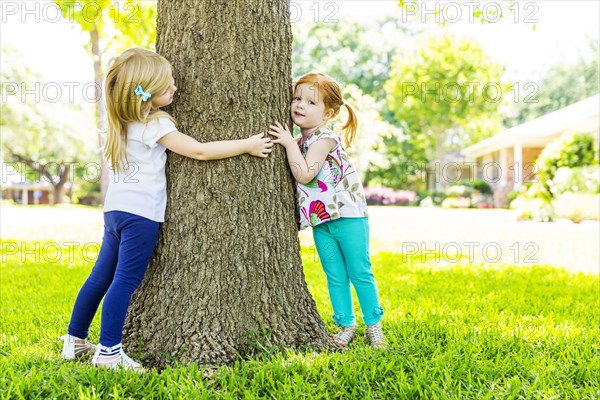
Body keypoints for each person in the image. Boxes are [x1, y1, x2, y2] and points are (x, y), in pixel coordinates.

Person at [61, 48, 273, 371]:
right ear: (145, 94)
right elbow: (199, 152)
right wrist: (246, 144)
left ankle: (74, 341)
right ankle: (108, 352)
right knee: (125, 282)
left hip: (115, 212)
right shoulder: (154, 125)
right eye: (167, 86)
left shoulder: (121, 124)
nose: (175, 88)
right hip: (141, 216)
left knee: (100, 276)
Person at [269, 72, 386, 348]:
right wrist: (291, 143)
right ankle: (346, 324)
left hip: (348, 217)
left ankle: (374, 325)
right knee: (334, 274)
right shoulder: (301, 142)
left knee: (359, 271)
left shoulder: (325, 137)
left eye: (311, 102)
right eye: (297, 98)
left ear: (328, 114)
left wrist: (286, 143)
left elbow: (305, 173)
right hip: (322, 220)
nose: (300, 105)